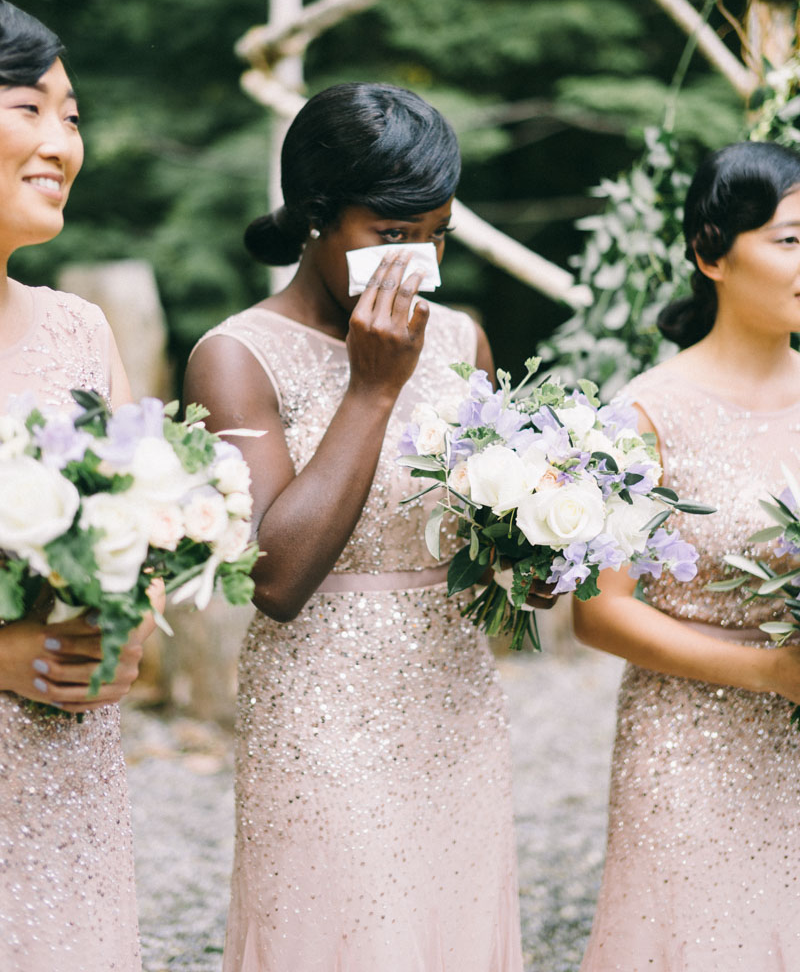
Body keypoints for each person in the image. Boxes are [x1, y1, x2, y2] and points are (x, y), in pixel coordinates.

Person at [186, 82, 531, 971]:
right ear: (315, 218)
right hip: (320, 715)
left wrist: (546, 545)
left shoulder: (464, 340)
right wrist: (372, 388)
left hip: (455, 704)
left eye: (435, 236)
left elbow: (486, 551)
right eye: (391, 237)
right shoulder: (233, 356)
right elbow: (276, 577)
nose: (417, 262)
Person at [573, 140, 800, 970]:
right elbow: (600, 613)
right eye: (791, 239)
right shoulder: (641, 415)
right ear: (711, 253)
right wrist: (774, 673)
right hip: (690, 747)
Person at [0, 0, 150, 971]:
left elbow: (156, 522)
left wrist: (132, 625)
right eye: (29, 107)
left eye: (74, 116)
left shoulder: (81, 332)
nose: (61, 141)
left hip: (68, 779)